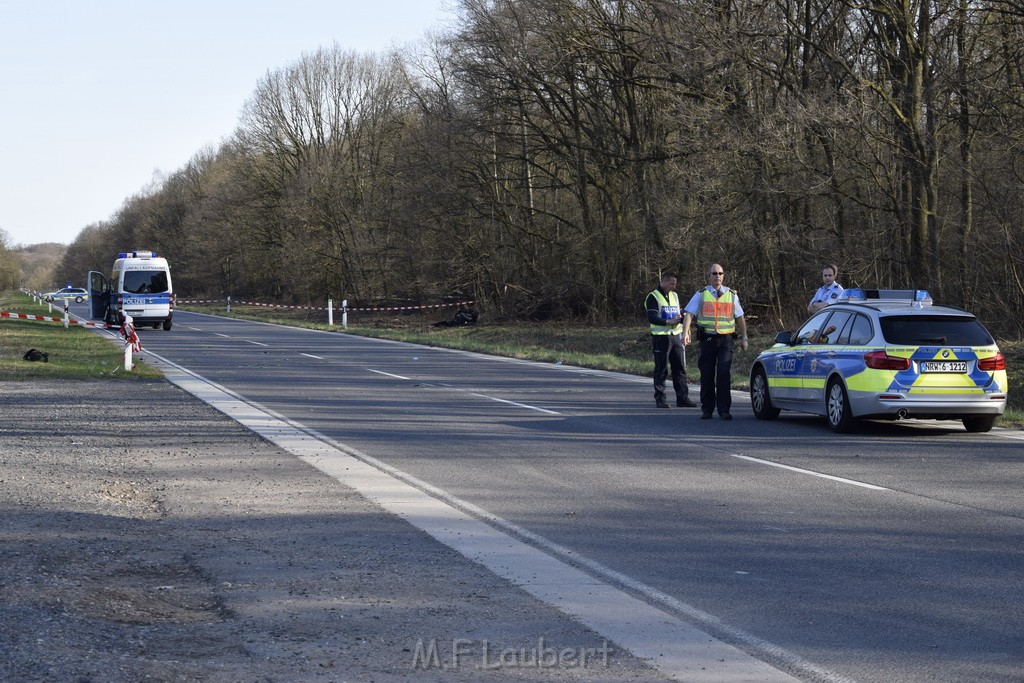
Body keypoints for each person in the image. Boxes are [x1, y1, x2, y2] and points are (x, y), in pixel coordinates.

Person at [682, 264, 748, 420]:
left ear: (723, 276)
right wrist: (685, 333)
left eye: (720, 273)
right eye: (714, 273)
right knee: (707, 374)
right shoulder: (701, 294)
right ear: (709, 276)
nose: (717, 276)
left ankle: (724, 410)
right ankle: (707, 409)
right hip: (708, 339)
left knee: (724, 374)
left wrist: (745, 337)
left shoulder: (731, 295)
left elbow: (740, 317)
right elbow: (689, 314)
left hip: (726, 339)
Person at [645, 272, 696, 409]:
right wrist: (668, 321)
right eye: (671, 283)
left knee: (679, 368)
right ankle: (660, 399)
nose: (674, 286)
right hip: (661, 336)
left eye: (675, 284)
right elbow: (652, 317)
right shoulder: (653, 296)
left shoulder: (674, 295)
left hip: (676, 335)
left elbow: (677, 314)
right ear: (663, 282)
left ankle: (683, 398)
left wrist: (682, 319)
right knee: (661, 368)